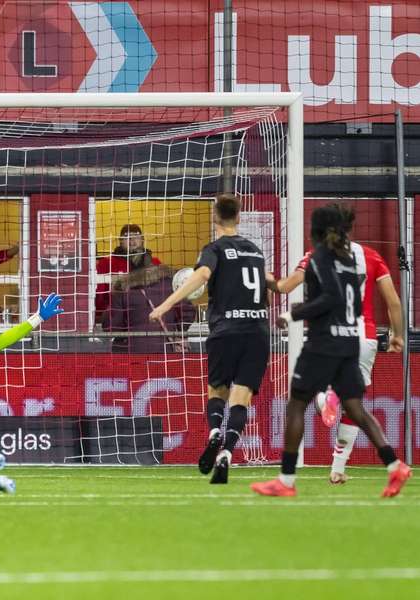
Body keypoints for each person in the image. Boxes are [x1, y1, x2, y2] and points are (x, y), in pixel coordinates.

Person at [251, 204, 411, 498]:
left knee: (297, 402)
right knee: (355, 408)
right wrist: (397, 335)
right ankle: (393, 464)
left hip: (326, 341)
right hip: (358, 337)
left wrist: (290, 312)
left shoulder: (319, 257)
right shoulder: (356, 258)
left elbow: (316, 294)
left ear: (318, 231)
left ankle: (286, 480)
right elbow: (392, 302)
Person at [149, 194, 270, 484]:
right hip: (257, 332)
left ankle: (215, 432)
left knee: (217, 393)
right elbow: (269, 282)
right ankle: (226, 453)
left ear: (214, 218)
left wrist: (166, 305)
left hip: (226, 330)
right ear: (238, 218)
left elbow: (202, 275)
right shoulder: (255, 251)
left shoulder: (214, 248)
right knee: (242, 399)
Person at [102, 264, 192, 353]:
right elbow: (187, 313)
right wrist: (178, 331)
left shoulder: (124, 288)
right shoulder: (172, 284)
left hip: (133, 350)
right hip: (165, 349)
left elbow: (111, 326)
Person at [95, 224, 162, 321]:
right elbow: (99, 296)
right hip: (115, 317)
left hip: (148, 316)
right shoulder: (106, 264)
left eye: (136, 237)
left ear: (142, 240)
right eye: (127, 238)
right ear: (120, 241)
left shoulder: (155, 263)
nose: (132, 241)